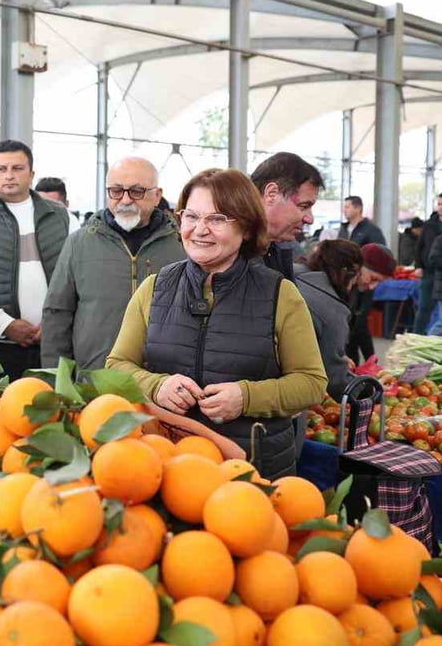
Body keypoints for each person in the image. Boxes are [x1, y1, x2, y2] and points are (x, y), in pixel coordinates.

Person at [106, 168, 327, 479]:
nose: (200, 230)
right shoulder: (155, 288)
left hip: (252, 469)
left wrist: (246, 397)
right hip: (168, 465)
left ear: (247, 227)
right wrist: (157, 385)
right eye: (191, 216)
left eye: (217, 219)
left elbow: (312, 384)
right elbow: (117, 365)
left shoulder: (280, 294)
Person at [42, 157, 185, 371]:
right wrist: (56, 381)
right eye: (116, 191)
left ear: (157, 196)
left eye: (137, 191)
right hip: (93, 383)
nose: (125, 200)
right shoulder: (79, 243)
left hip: (163, 386)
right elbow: (57, 314)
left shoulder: (182, 246)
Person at [0, 140, 73, 379]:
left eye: (17, 168)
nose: (9, 175)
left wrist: (54, 324)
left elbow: (80, 279)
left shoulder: (64, 219)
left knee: (55, 411)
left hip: (54, 344)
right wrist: (4, 324)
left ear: (31, 174)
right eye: (2, 169)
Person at [295, 240, 362, 403]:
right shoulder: (332, 308)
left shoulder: (288, 271)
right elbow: (337, 380)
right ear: (347, 274)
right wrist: (369, 391)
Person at [249, 152, 324, 280]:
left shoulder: (278, 249)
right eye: (303, 206)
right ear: (271, 194)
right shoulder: (225, 256)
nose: (310, 219)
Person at [338, 196, 387, 363]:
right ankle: (357, 364)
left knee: (360, 322)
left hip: (364, 285)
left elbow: (381, 254)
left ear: (358, 208)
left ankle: (370, 362)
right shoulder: (343, 229)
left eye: (348, 207)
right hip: (346, 283)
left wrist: (367, 275)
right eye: (344, 207)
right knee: (351, 323)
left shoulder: (371, 230)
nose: (345, 210)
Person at [413, 192, 442, 334]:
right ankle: (416, 339)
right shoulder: (429, 225)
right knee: (424, 308)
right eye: (439, 204)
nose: (441, 207)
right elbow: (419, 246)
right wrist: (418, 266)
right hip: (429, 273)